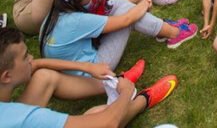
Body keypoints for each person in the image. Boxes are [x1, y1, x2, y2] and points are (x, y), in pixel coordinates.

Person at [0, 27, 179, 128]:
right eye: (25, 57)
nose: (31, 58)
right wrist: (125, 93)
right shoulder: (25, 118)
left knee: (44, 76)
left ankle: (114, 82)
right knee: (97, 115)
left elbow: (37, 64)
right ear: (6, 76)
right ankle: (142, 100)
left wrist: (86, 66)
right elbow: (108, 123)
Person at [41, 0, 198, 71]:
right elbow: (126, 20)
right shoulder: (76, 21)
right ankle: (174, 34)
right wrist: (143, 4)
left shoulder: (60, 9)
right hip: (95, 69)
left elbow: (107, 3)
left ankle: (161, 29)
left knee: (120, 6)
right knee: (126, 13)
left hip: (75, 64)